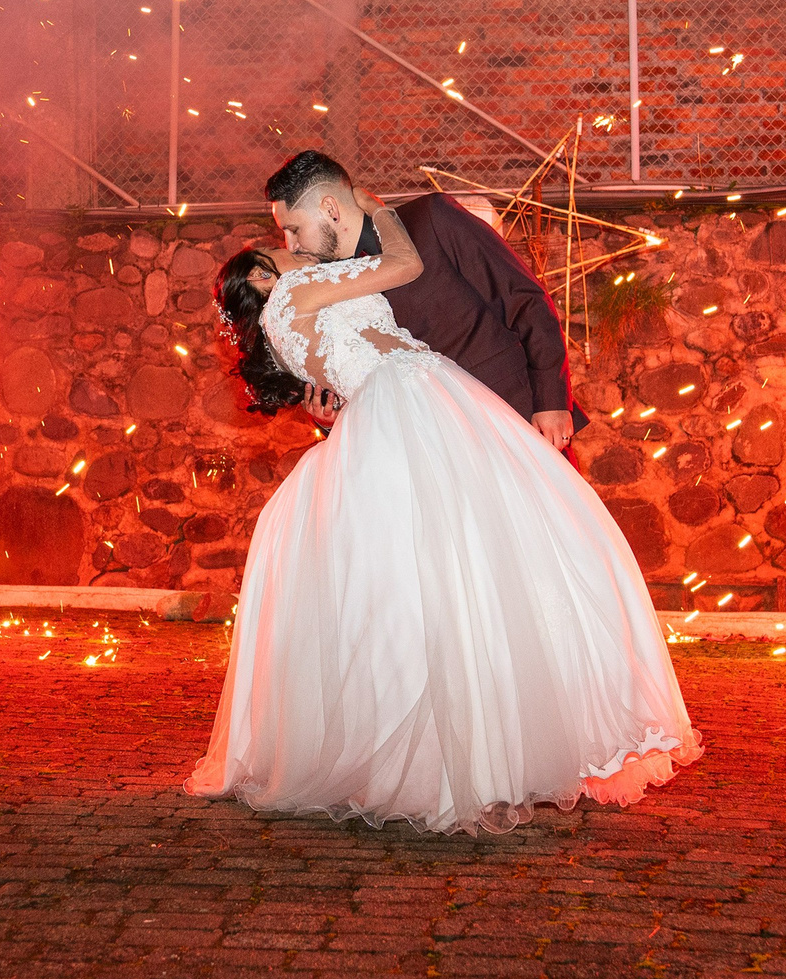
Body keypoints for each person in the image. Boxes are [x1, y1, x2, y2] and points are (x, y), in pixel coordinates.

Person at [191, 183, 700, 834]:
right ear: (265, 280)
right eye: (280, 244)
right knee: (450, 583)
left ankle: (468, 749)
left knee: (437, 589)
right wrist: (377, 209)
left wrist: (335, 401)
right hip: (416, 411)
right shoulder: (307, 287)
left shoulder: (324, 285)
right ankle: (463, 757)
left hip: (436, 409)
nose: (289, 245)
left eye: (289, 231)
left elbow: (502, 301)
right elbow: (396, 277)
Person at [262, 150, 585, 464]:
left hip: (515, 414)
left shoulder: (430, 218)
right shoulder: (321, 286)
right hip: (432, 453)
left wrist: (552, 400)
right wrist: (332, 420)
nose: (292, 246)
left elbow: (523, 298)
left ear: (330, 208)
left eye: (294, 229)